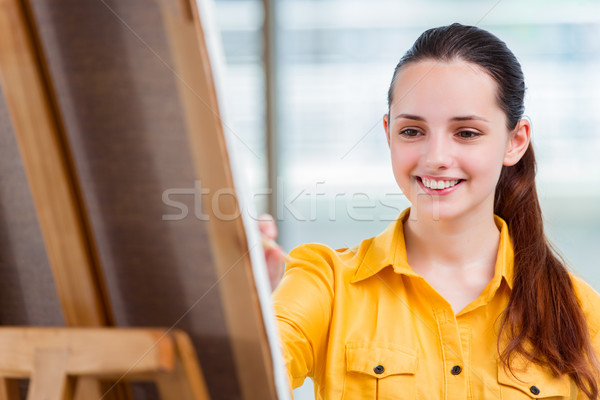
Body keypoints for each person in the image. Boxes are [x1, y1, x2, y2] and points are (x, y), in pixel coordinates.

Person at [260, 23, 600, 399]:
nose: (436, 158)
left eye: (466, 133)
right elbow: (234, 380)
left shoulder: (578, 310)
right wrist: (239, 310)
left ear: (515, 142)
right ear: (388, 133)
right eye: (412, 131)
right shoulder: (324, 283)